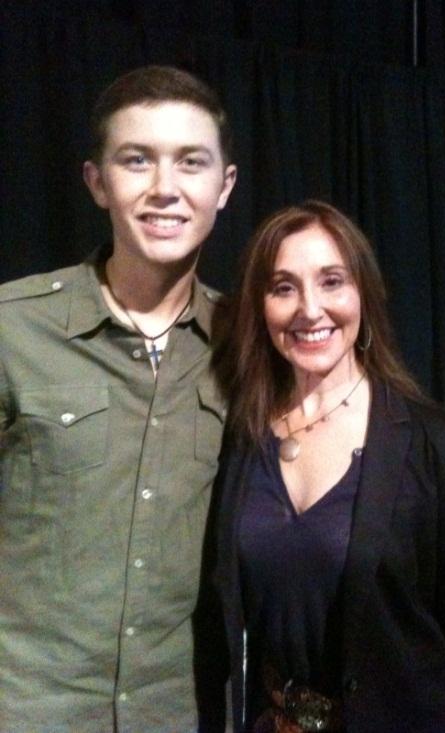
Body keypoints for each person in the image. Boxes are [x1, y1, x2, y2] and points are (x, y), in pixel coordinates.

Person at [212, 200, 445, 733]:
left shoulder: (434, 445)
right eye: (284, 287)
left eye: (332, 281)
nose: (310, 309)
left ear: (364, 294)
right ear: (261, 306)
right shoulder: (242, 435)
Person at [0, 66, 236, 732]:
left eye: (190, 162)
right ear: (97, 181)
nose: (165, 188)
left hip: (179, 712)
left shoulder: (247, 343)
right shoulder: (12, 328)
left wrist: (438, 469)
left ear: (223, 187)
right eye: (137, 160)